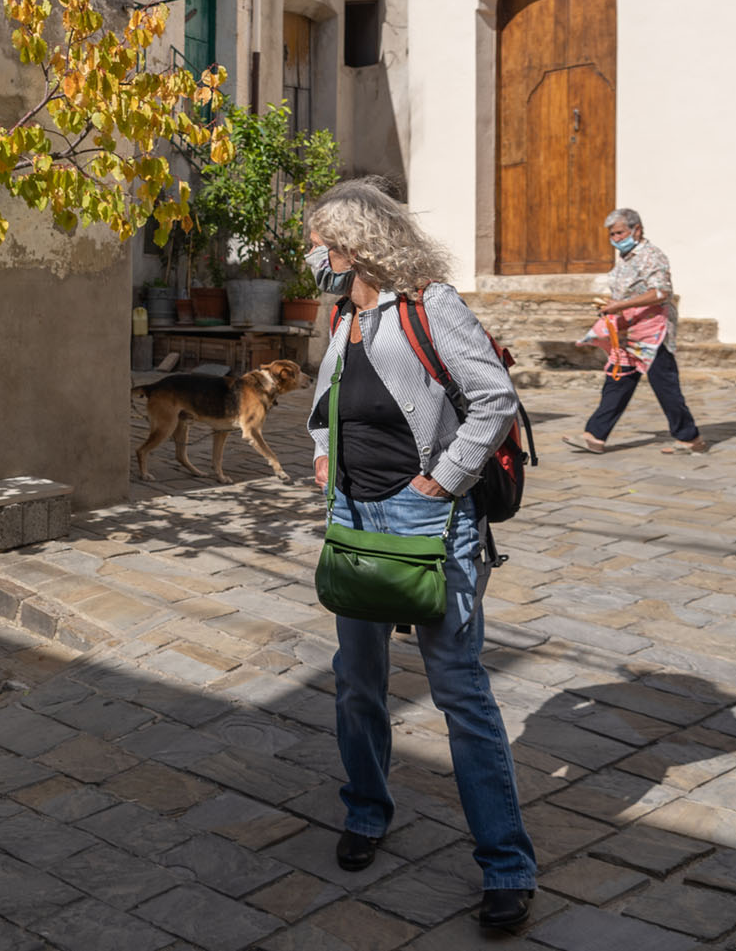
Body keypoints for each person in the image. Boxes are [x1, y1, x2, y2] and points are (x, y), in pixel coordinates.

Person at [305, 179, 537, 931]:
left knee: (459, 691)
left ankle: (507, 865)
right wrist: (322, 452)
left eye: (324, 244)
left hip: (428, 520)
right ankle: (366, 810)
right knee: (356, 682)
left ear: (359, 244)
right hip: (353, 517)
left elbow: (494, 398)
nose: (316, 257)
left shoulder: (430, 305)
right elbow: (326, 406)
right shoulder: (344, 314)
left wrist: (444, 477)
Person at [562, 208, 707, 456]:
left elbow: (660, 292)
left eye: (620, 233)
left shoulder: (651, 256)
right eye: (612, 234)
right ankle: (594, 436)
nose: (615, 238)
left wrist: (621, 305)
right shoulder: (626, 259)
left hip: (652, 332)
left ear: (636, 230)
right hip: (628, 331)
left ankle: (689, 437)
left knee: (665, 385)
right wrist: (614, 306)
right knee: (618, 380)